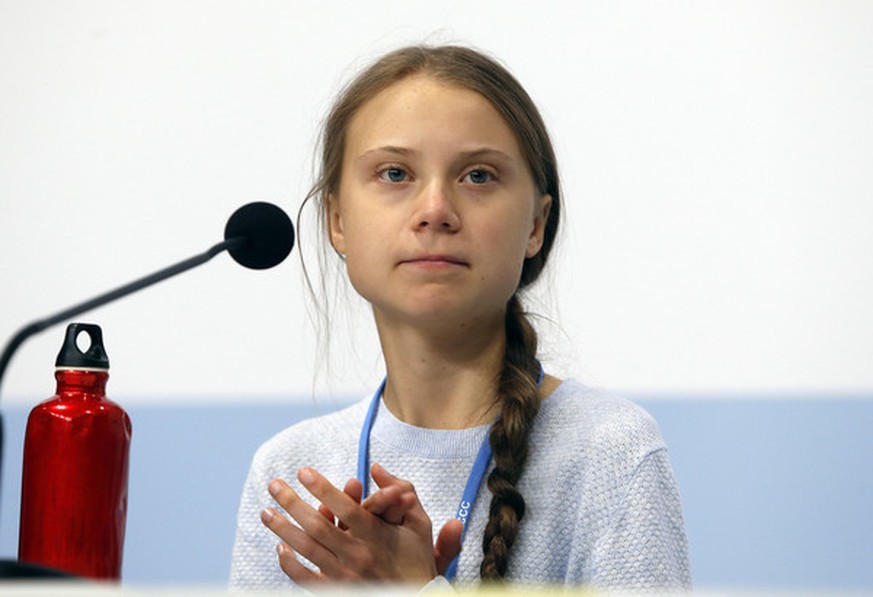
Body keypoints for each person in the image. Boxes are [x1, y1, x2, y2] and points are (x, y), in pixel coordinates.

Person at [230, 44, 691, 592]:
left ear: (535, 226)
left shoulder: (609, 454)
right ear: (337, 222)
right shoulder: (290, 471)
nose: (435, 211)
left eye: (477, 176)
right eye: (395, 172)